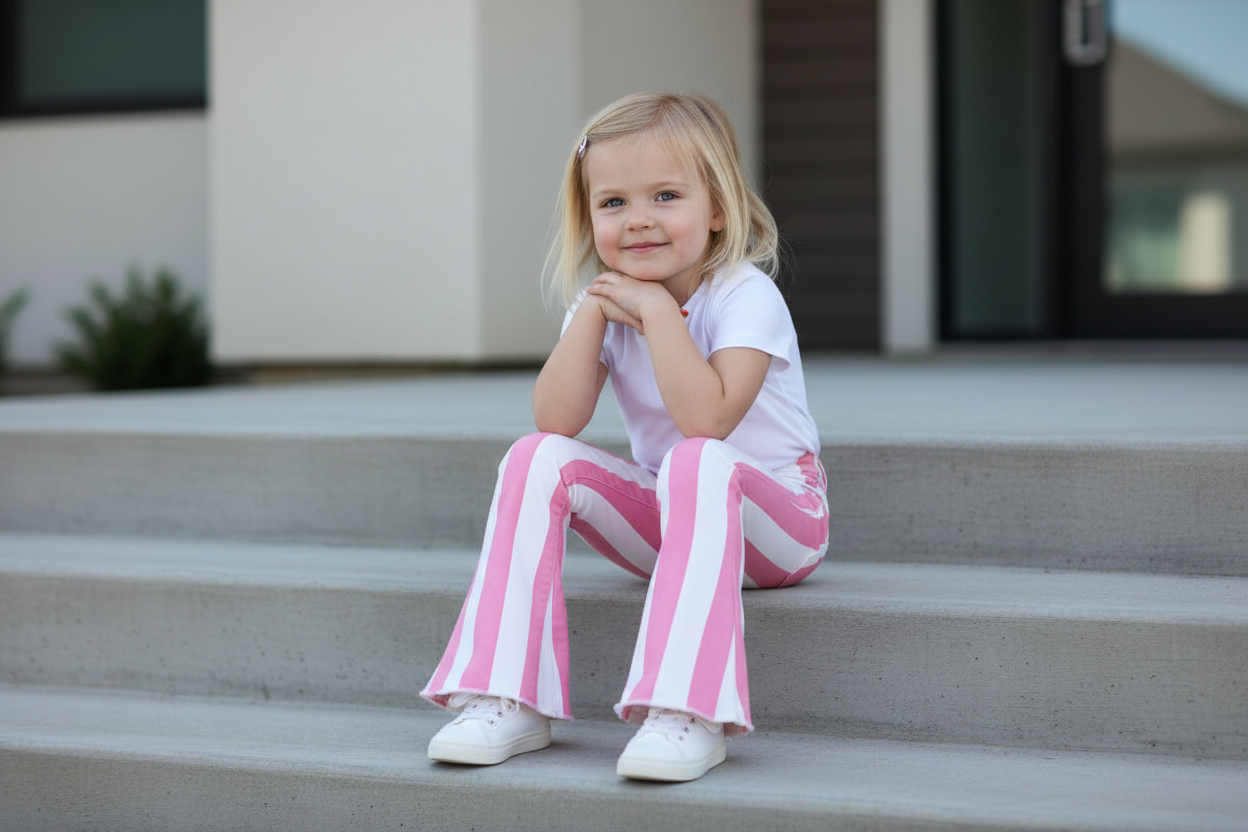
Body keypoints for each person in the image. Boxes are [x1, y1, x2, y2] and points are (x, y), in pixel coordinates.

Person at [421, 91, 828, 783]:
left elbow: (708, 420)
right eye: (612, 204)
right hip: (677, 521)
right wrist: (592, 314)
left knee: (697, 458)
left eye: (666, 195)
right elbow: (557, 419)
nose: (638, 221)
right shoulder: (607, 302)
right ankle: (508, 697)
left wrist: (657, 313)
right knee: (534, 457)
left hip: (782, 525)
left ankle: (686, 711)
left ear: (719, 208)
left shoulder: (744, 294)